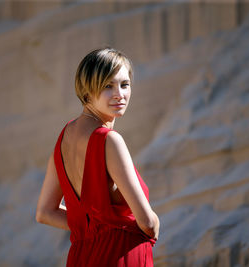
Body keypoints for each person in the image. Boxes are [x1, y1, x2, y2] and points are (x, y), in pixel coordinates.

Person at [36, 47, 160, 266]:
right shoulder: (109, 140)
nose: (119, 94)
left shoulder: (64, 138)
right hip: (120, 254)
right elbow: (147, 221)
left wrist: (93, 227)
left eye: (125, 84)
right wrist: (154, 225)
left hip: (81, 257)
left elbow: (45, 212)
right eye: (107, 86)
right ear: (86, 92)